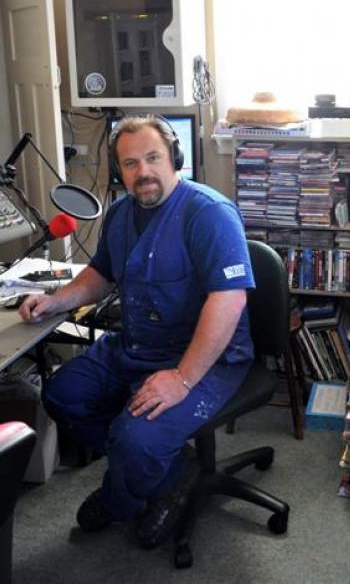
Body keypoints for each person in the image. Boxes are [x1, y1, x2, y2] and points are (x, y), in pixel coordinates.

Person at [19, 114, 255, 548]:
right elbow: (101, 274)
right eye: (129, 163)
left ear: (174, 159)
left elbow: (230, 300)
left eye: (152, 158)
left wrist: (182, 379)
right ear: (120, 172)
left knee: (136, 438)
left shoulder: (209, 214)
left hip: (204, 358)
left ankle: (122, 497)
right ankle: (167, 473)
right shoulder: (123, 213)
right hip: (136, 345)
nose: (142, 171)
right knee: (63, 395)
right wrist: (56, 301)